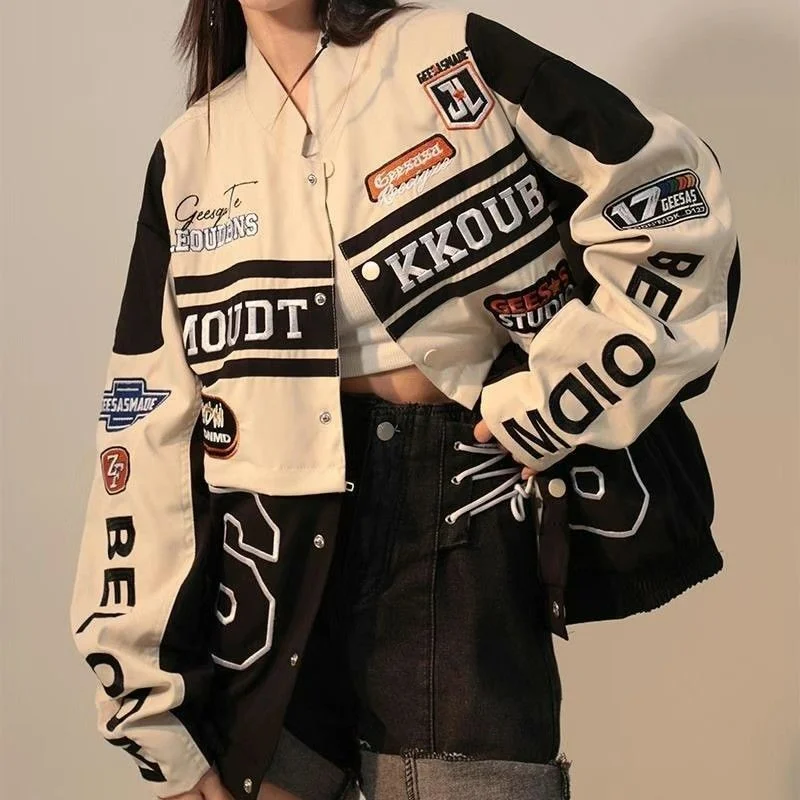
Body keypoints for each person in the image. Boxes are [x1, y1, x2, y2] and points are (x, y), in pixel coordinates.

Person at [68, 1, 739, 799]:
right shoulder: (190, 153)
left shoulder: (448, 52)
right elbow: (146, 424)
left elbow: (672, 198)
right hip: (267, 566)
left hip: (456, 520)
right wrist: (144, 704)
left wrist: (561, 395)